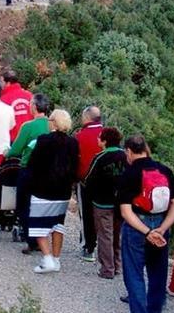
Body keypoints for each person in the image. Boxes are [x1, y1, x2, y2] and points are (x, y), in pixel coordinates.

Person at [117, 134, 174, 313]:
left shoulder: (129, 174)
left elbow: (126, 211)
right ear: (145, 149)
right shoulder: (164, 170)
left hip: (137, 226)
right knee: (158, 274)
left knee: (134, 274)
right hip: (162, 223)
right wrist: (162, 228)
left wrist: (147, 232)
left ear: (129, 151)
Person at [26, 109, 79, 273]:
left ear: (54, 122)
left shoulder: (43, 140)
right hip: (62, 191)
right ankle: (56, 260)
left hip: (43, 190)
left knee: (38, 225)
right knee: (58, 225)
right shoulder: (73, 142)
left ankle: (47, 258)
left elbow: (32, 164)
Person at [6, 93, 52, 251]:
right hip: (49, 171)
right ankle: (43, 238)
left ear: (34, 106)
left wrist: (6, 154)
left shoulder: (28, 126)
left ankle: (32, 240)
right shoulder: (52, 125)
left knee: (24, 205)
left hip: (29, 170)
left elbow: (15, 150)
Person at [83, 127, 128, 279]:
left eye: (99, 138)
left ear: (105, 141)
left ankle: (107, 269)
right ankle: (117, 266)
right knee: (117, 235)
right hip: (122, 204)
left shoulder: (100, 157)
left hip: (102, 203)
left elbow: (88, 179)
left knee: (104, 236)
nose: (97, 140)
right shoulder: (126, 156)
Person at [76, 105, 104, 262]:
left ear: (87, 118)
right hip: (107, 182)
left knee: (86, 214)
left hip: (85, 180)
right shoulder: (107, 133)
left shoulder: (80, 136)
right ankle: (107, 248)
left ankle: (88, 247)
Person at [0, 70, 32, 142]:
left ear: (7, 83)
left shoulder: (3, 100)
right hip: (29, 137)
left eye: (2, 82)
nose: (0, 85)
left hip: (12, 138)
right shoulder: (29, 96)